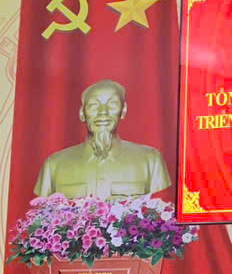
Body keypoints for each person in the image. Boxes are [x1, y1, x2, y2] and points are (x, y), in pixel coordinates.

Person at [34, 79, 171, 200]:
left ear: (123, 110)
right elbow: (43, 216)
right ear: (82, 113)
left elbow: (161, 213)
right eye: (94, 105)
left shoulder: (150, 161)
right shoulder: (54, 165)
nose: (103, 111)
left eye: (112, 104)